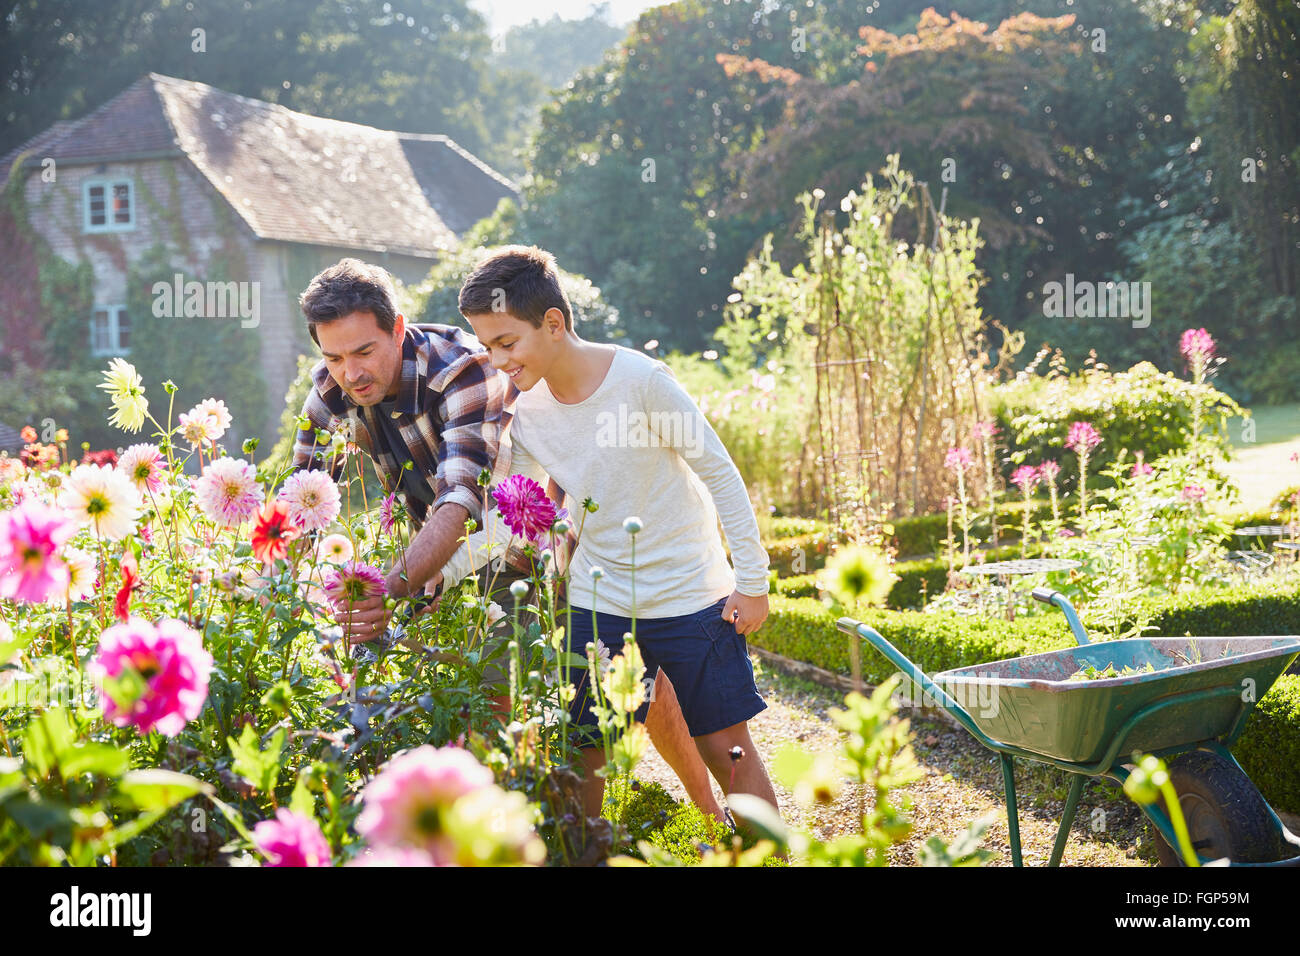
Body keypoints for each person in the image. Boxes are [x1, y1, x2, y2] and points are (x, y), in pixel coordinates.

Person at [289, 258, 721, 817]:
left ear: (398, 327)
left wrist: (387, 588)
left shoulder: (461, 371)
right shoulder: (331, 391)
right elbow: (297, 507)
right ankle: (522, 823)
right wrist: (283, 589)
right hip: (442, 561)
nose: (350, 373)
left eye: (364, 352)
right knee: (468, 697)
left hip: (527, 541)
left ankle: (707, 812)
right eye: (333, 357)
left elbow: (461, 500)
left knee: (630, 678)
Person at [438, 245, 780, 821]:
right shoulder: (528, 414)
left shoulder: (642, 381)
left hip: (690, 593)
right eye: (486, 345)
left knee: (727, 751)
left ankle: (770, 858)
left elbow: (719, 473)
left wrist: (753, 581)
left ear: (553, 323)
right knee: (584, 749)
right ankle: (587, 851)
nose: (497, 360)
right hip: (601, 601)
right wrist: (429, 575)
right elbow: (514, 522)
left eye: (506, 343)